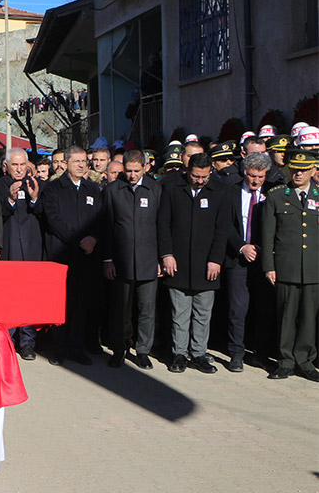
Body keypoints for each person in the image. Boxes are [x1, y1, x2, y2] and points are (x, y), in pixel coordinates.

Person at [158, 152, 231, 374]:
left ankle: (199, 354)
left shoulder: (220, 191)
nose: (199, 181)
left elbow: (223, 229)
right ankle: (179, 353)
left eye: (204, 177)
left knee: (202, 312)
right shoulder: (172, 188)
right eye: (195, 176)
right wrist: (166, 254)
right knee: (179, 313)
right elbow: (163, 223)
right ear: (187, 171)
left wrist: (216, 260)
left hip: (206, 264)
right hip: (178, 262)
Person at [41, 145, 102, 366]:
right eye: (76, 161)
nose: (81, 165)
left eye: (84, 161)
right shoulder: (53, 189)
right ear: (66, 163)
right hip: (62, 254)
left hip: (87, 256)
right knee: (61, 304)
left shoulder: (92, 189)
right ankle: (58, 348)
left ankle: (77, 347)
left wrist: (93, 238)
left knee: (80, 303)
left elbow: (100, 218)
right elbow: (54, 220)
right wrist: (78, 240)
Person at [261, 149, 319, 381]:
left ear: (313, 170)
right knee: (286, 315)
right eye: (294, 169)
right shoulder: (277, 196)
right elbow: (267, 236)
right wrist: (269, 266)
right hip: (286, 266)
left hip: (314, 268)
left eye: (303, 170)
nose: (298, 173)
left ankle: (305, 361)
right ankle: (285, 361)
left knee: (309, 318)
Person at [101, 150, 162, 369]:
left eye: (137, 170)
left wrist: (161, 258)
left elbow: (161, 226)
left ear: (146, 167)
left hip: (148, 260)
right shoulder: (113, 190)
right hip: (121, 260)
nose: (133, 175)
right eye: (129, 171)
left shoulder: (155, 189)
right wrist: (108, 259)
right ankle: (120, 348)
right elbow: (106, 226)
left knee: (146, 308)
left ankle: (143, 350)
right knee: (121, 309)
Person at [220, 153, 271, 372]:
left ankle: (260, 353)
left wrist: (261, 249)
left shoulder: (273, 193)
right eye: (251, 175)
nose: (255, 180)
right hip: (237, 259)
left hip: (264, 260)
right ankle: (236, 354)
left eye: (260, 176)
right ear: (244, 172)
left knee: (262, 308)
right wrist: (241, 246)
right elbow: (225, 224)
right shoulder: (230, 192)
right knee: (237, 309)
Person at [0, 147, 44, 360]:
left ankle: (27, 342)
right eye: (14, 165)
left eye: (22, 165)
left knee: (29, 297)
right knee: (7, 296)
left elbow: (45, 215)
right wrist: (10, 200)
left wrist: (34, 199)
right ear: (6, 166)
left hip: (31, 249)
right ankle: (8, 338)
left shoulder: (37, 185)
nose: (18, 169)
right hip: (8, 249)